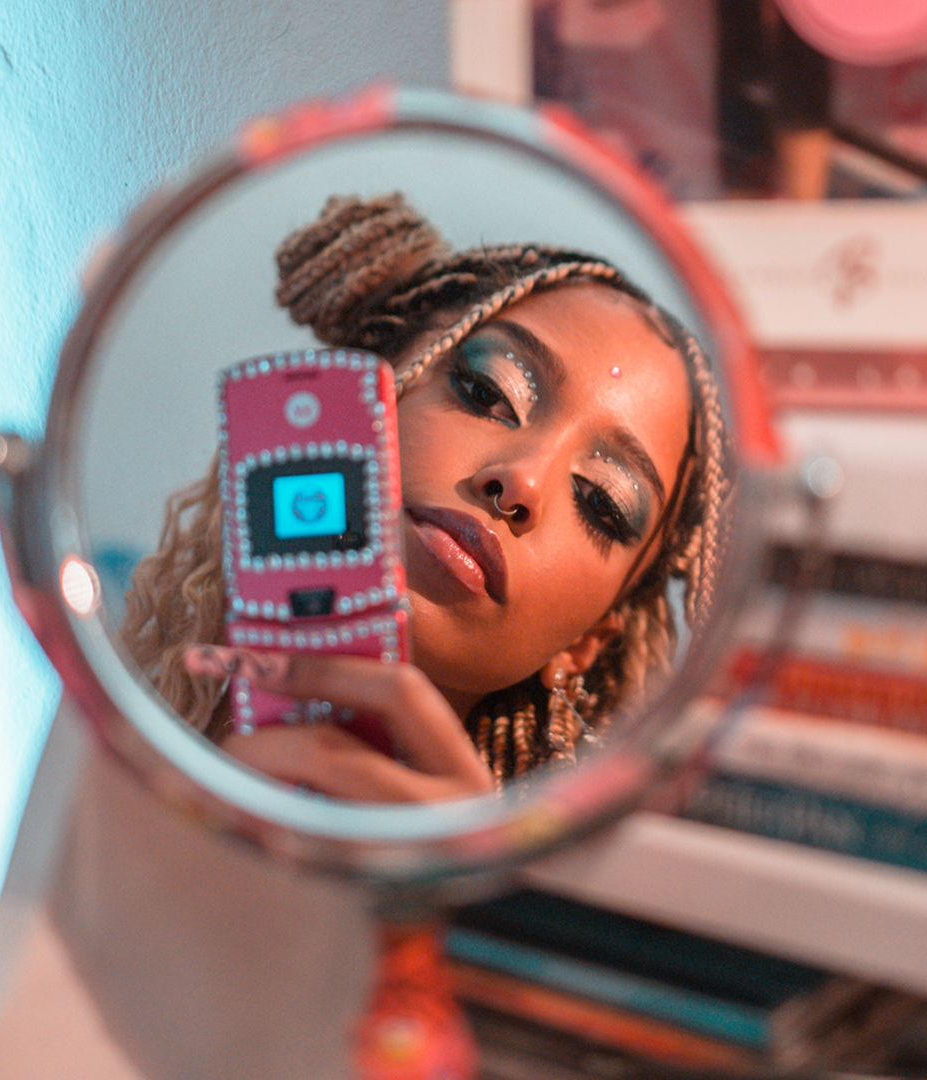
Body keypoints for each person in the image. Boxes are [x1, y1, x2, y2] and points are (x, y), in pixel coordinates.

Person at [120, 192, 729, 801]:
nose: (522, 480)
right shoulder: (102, 727)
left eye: (601, 501)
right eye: (487, 391)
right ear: (364, 394)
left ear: (586, 643)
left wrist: (460, 860)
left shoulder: (536, 866)